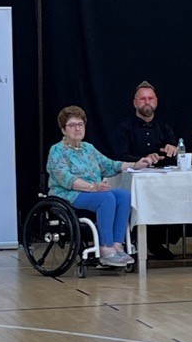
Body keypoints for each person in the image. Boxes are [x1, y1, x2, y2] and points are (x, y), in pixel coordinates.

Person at [47, 106, 159, 267]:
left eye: (80, 124)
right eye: (72, 125)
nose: (77, 128)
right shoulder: (57, 151)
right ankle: (106, 248)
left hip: (94, 191)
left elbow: (110, 165)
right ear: (63, 130)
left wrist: (135, 164)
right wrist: (93, 187)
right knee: (107, 197)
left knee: (123, 195)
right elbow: (67, 179)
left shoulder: (88, 148)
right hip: (68, 194)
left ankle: (117, 245)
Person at [114, 81, 180, 260]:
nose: (147, 102)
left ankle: (155, 242)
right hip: (134, 180)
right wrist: (143, 160)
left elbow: (175, 155)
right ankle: (134, 241)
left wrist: (173, 149)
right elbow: (121, 155)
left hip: (161, 181)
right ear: (135, 103)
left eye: (150, 98)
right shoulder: (124, 128)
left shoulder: (164, 128)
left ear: (156, 101)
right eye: (143, 99)